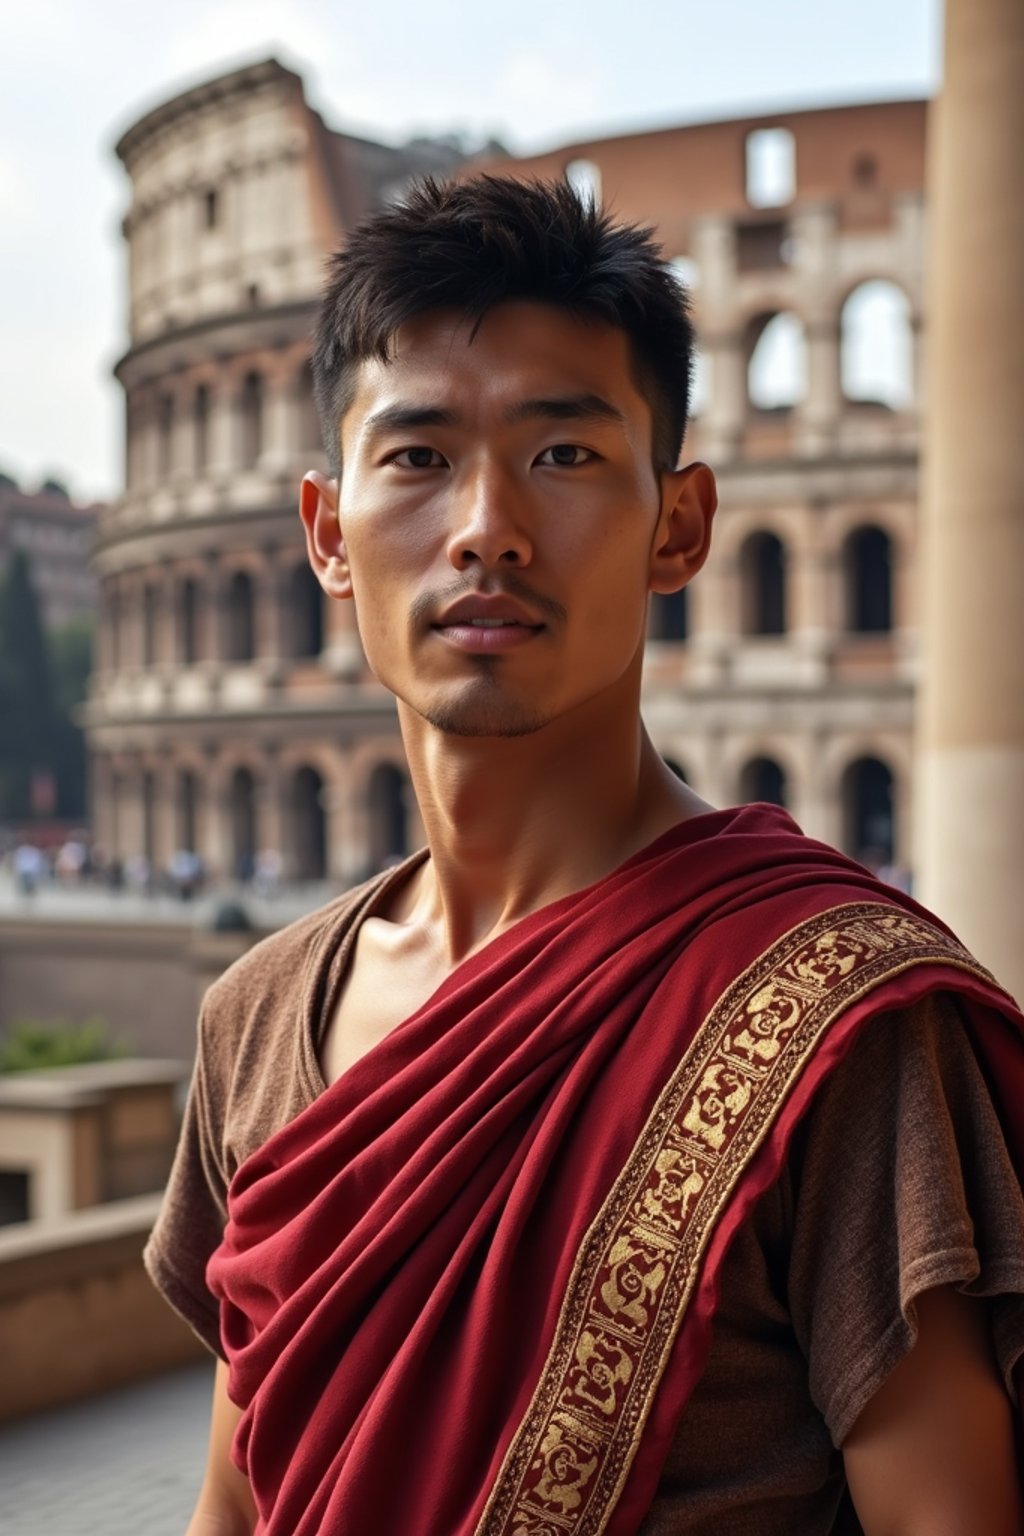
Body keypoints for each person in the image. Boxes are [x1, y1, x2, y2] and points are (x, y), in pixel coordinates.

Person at [145, 177, 1024, 1536]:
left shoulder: (845, 1023)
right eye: (419, 457)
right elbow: (240, 1494)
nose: (487, 526)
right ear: (328, 535)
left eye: (563, 456)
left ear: (680, 526)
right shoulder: (258, 1018)